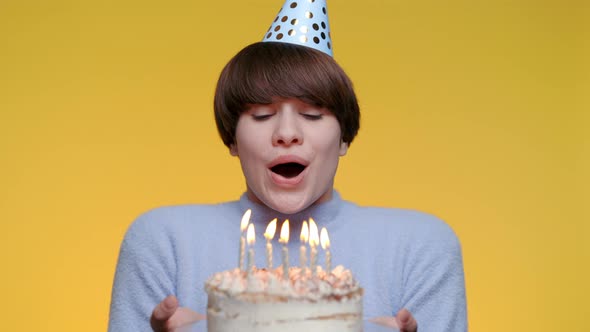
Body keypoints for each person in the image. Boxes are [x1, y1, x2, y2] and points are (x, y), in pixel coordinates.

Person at [108, 2, 466, 332]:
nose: (287, 134)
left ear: (343, 138)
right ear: (233, 139)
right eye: (262, 115)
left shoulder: (420, 246)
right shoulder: (163, 241)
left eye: (312, 114)